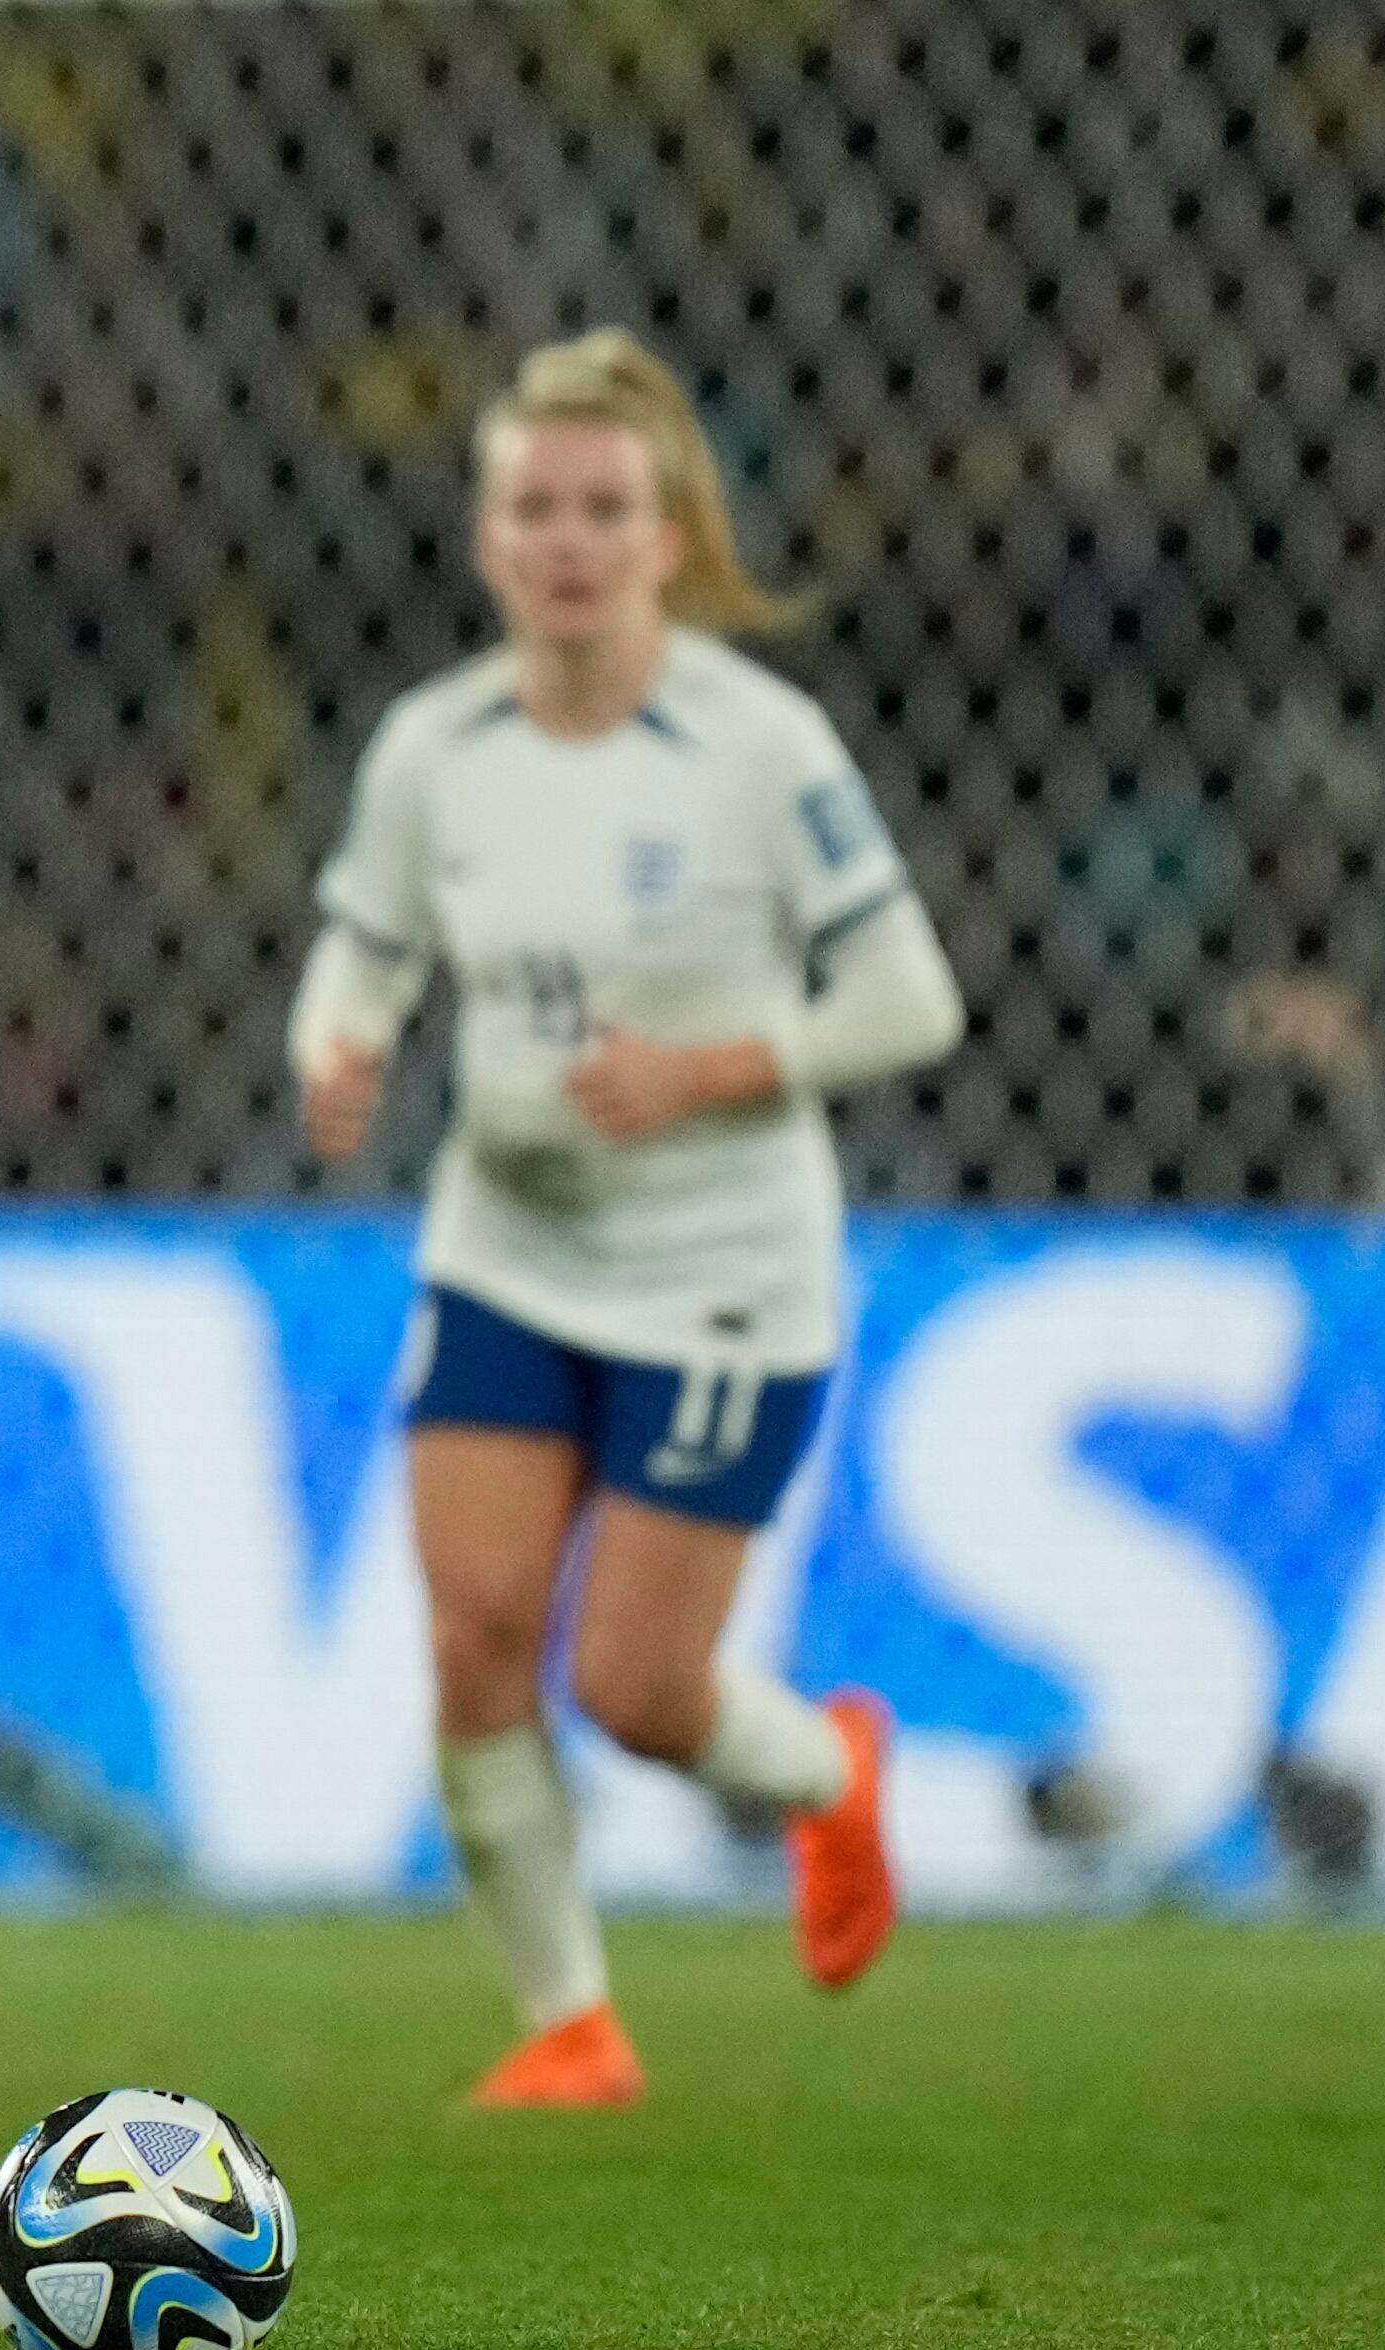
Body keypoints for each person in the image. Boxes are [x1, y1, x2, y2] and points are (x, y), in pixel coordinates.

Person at [290, 331, 966, 2110]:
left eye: (605, 507)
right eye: (533, 505)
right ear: (485, 534)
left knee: (640, 1694)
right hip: (505, 1249)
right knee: (469, 1637)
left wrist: (716, 1068)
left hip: (720, 1276)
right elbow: (360, 946)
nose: (567, 539)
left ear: (670, 535)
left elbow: (911, 996)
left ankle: (825, 1769)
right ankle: (570, 2028)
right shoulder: (430, 749)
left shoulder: (760, 747)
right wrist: (338, 1045)